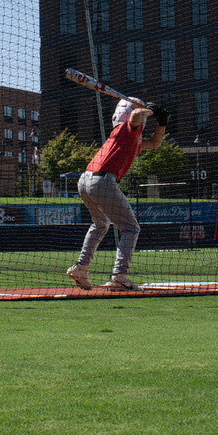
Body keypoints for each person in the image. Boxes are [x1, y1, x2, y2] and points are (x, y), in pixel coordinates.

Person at [66, 98, 167, 291]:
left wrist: (162, 123)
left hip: (85, 179)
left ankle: (81, 267)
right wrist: (151, 111)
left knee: (100, 224)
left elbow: (155, 143)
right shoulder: (127, 129)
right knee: (131, 228)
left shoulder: (129, 137)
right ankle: (119, 276)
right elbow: (137, 115)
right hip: (102, 182)